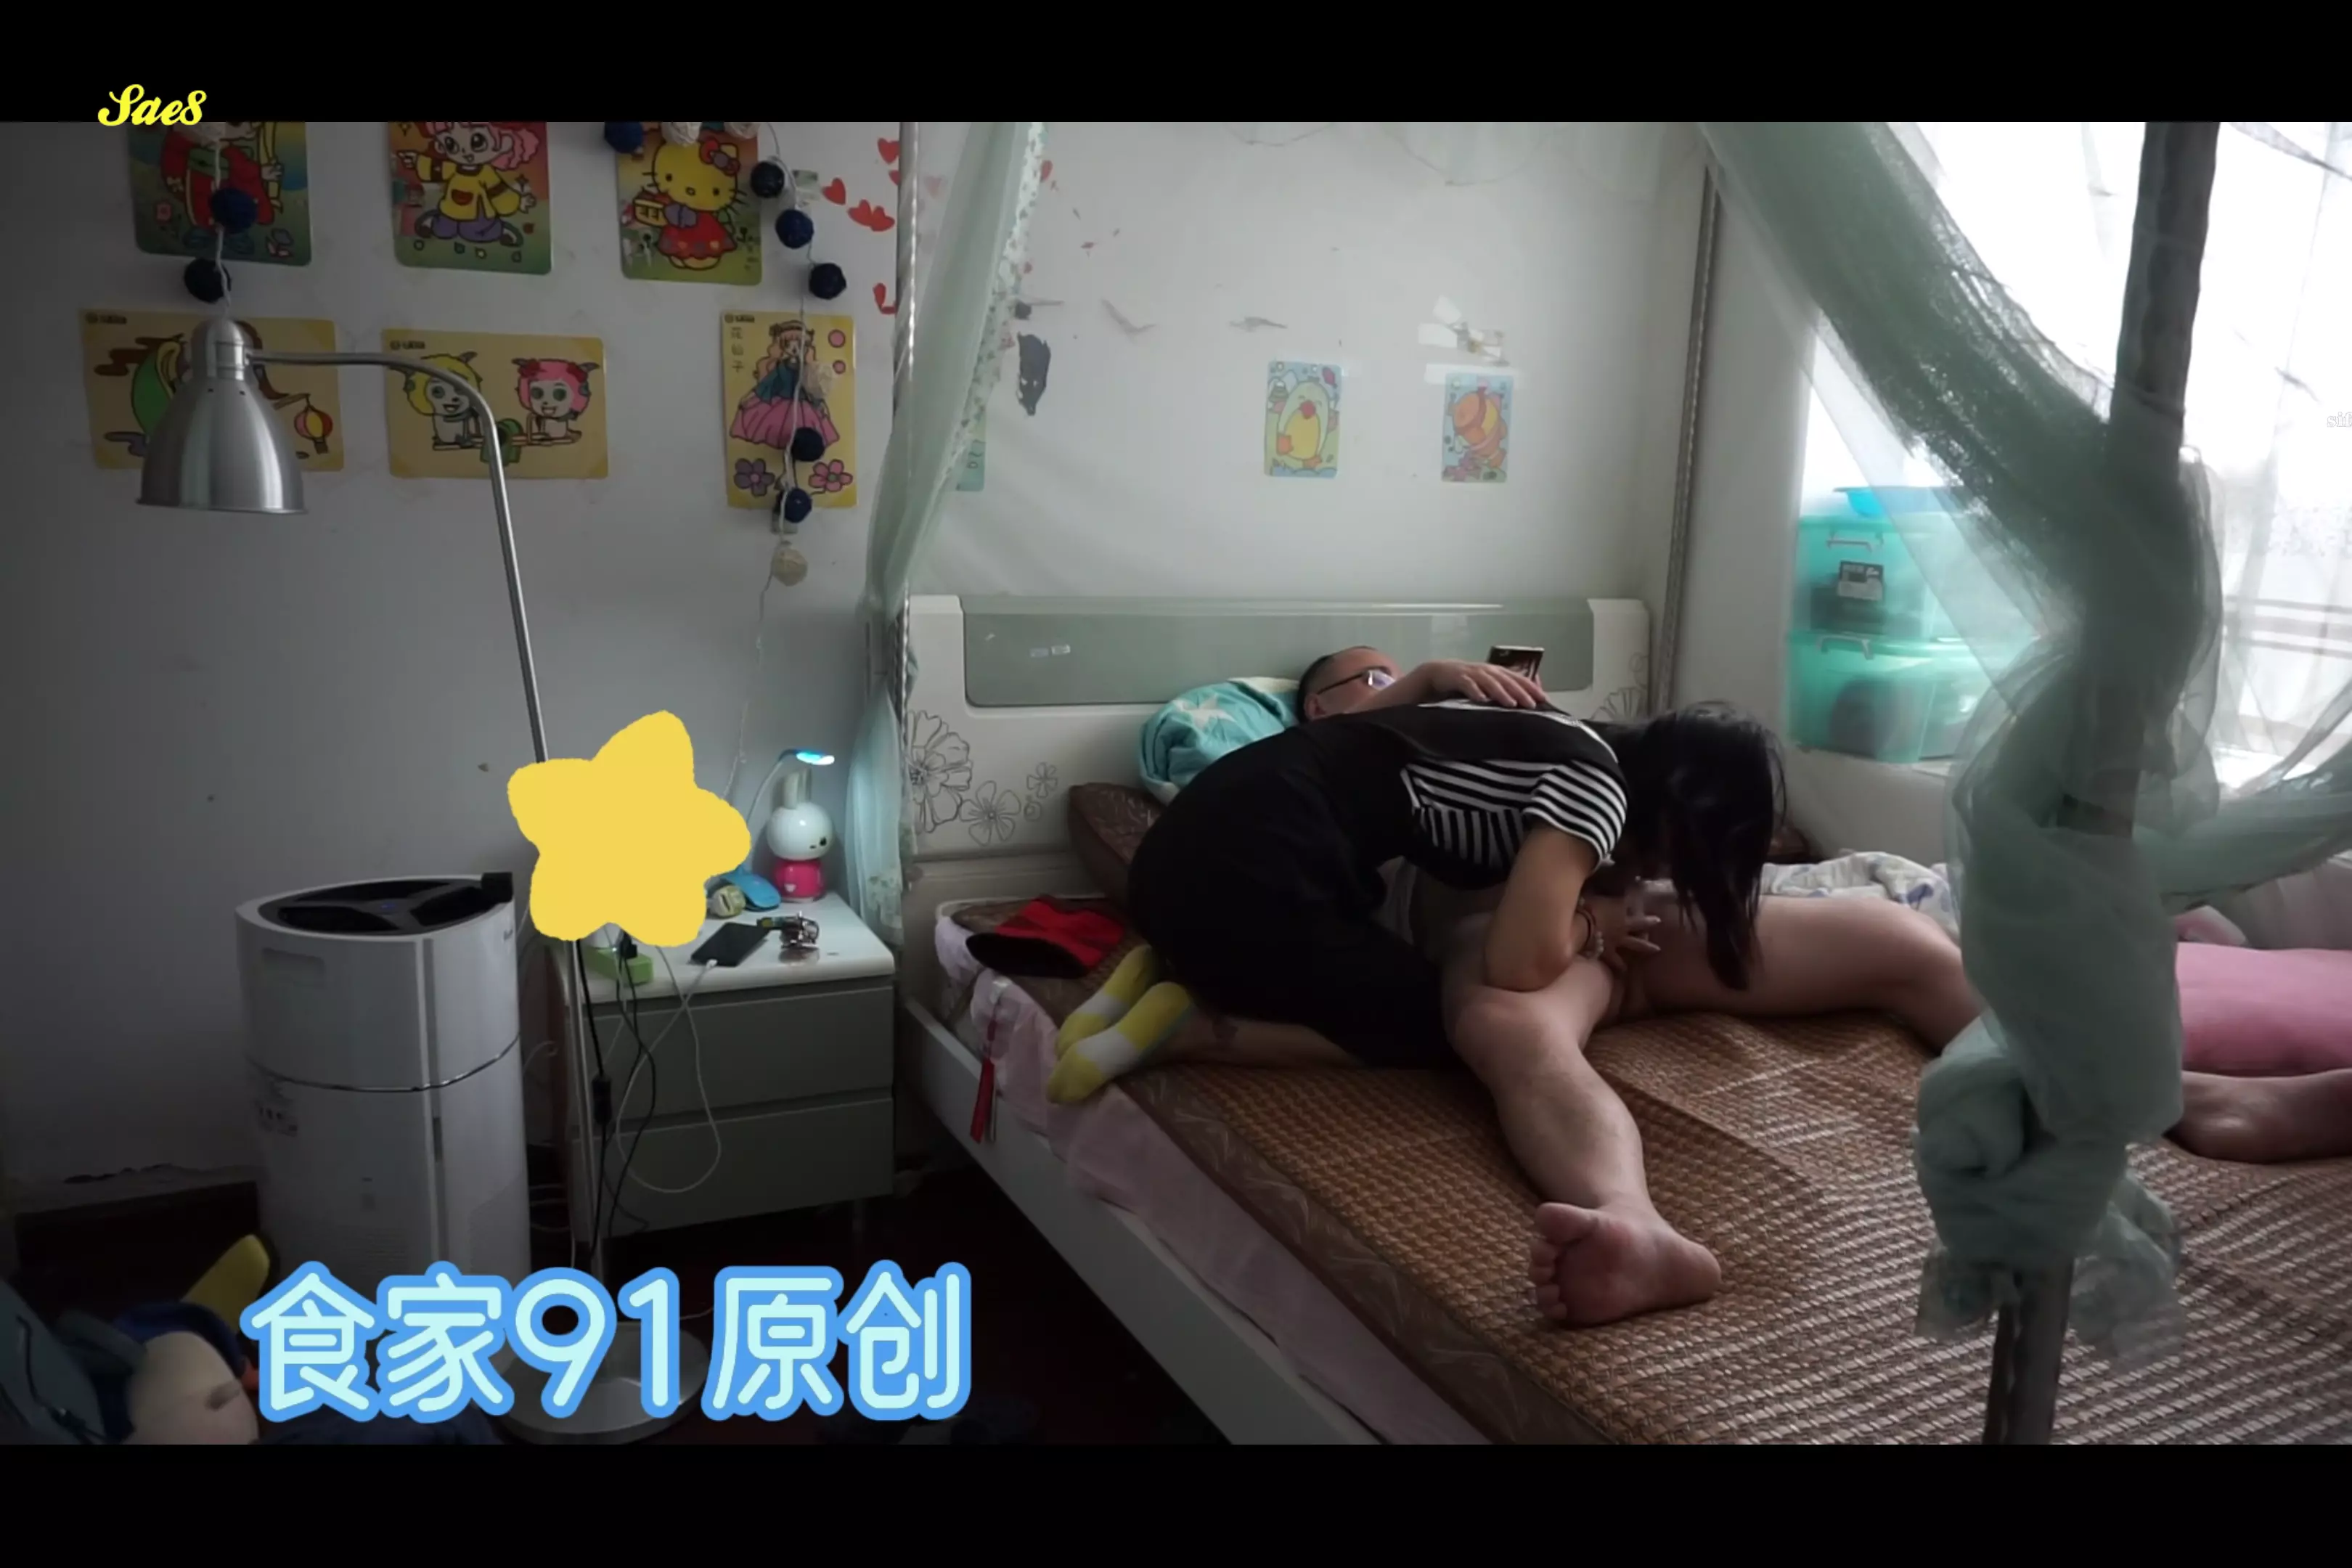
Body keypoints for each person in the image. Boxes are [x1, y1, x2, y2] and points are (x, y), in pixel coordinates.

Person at [1055, 645, 2352, 1327]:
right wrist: (1575, 904)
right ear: (1310, 703)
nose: (1366, 684)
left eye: (1373, 672)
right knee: (1505, 1029)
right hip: (1483, 930)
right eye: (1343, 679)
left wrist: (1450, 688)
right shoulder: (1286, 763)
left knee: (1889, 936)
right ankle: (1632, 1224)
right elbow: (1507, 938)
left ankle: (2186, 1095)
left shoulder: (1532, 741)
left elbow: (1570, 817)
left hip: (1598, 908)